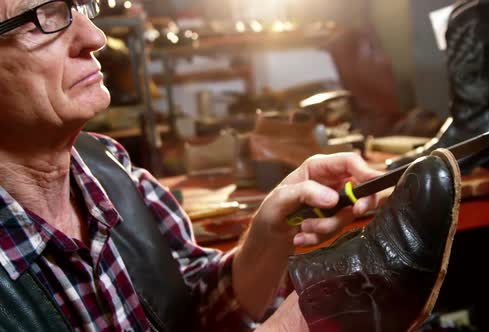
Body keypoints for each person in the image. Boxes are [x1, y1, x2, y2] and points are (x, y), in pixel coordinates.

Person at [0, 0, 381, 330]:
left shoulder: (111, 168)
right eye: (45, 16)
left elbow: (193, 308)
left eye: (78, 6)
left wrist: (271, 232)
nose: (95, 37)